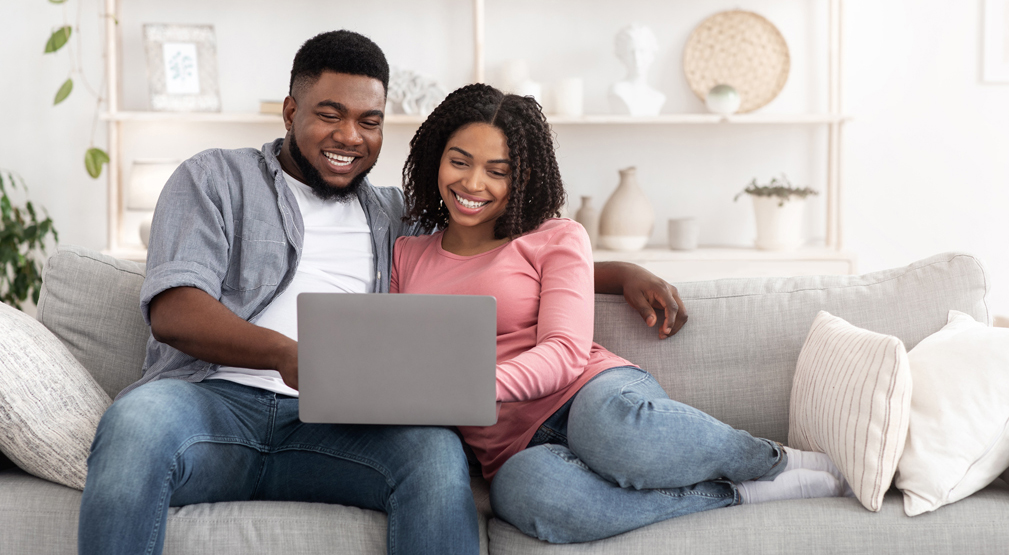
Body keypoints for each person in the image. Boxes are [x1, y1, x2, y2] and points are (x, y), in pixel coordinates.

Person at [78, 31, 687, 555]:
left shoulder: (393, 215)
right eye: (328, 113)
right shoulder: (214, 178)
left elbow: (493, 253)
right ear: (290, 110)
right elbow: (175, 310)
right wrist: (288, 355)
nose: (350, 135)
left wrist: (617, 271)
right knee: (136, 422)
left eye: (369, 121)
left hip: (340, 426)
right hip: (210, 406)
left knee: (433, 451)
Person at [392, 83, 852, 545]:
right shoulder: (406, 257)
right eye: (459, 161)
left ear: (523, 177)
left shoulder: (556, 237)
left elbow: (565, 352)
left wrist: (472, 387)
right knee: (525, 493)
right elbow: (398, 357)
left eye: (498, 171)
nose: (473, 184)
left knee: (608, 430)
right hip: (513, 451)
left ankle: (771, 461)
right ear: (436, 157)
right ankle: (733, 495)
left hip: (589, 394)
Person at [608, 23, 666, 116]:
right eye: (631, 52)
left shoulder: (658, 97)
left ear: (652, 54)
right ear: (622, 56)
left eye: (642, 51)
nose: (637, 58)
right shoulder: (618, 91)